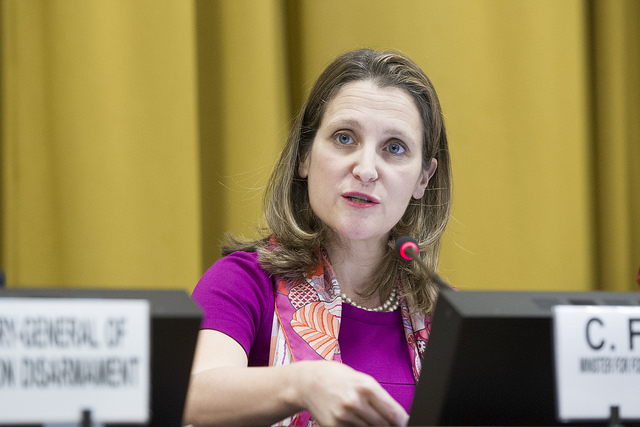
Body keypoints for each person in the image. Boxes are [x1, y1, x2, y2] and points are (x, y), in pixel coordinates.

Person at [183, 48, 452, 427]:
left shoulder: (446, 313)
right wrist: (303, 383)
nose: (366, 169)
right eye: (345, 138)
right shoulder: (244, 282)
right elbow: (189, 394)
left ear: (423, 178)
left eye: (394, 148)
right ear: (304, 156)